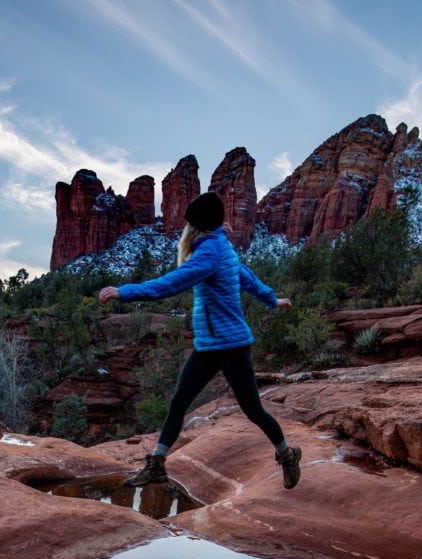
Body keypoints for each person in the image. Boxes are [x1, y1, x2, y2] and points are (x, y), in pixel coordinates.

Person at [99, 191, 302, 489]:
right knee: (179, 401)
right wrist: (271, 299)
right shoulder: (221, 248)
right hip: (208, 346)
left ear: (196, 226)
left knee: (253, 409)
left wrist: (124, 292)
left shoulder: (210, 253)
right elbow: (247, 277)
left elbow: (173, 283)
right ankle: (157, 465)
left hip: (231, 346)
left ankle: (287, 455)